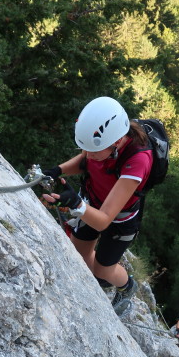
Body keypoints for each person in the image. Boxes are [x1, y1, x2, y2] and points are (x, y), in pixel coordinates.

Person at [41, 96, 152, 312]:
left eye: (93, 151)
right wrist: (58, 170)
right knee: (79, 251)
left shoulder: (138, 160)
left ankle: (126, 287)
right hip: (93, 202)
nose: (88, 154)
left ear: (117, 142)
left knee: (103, 269)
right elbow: (84, 161)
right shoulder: (100, 142)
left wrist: (76, 203)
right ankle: (96, 281)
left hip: (121, 220)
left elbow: (103, 221)